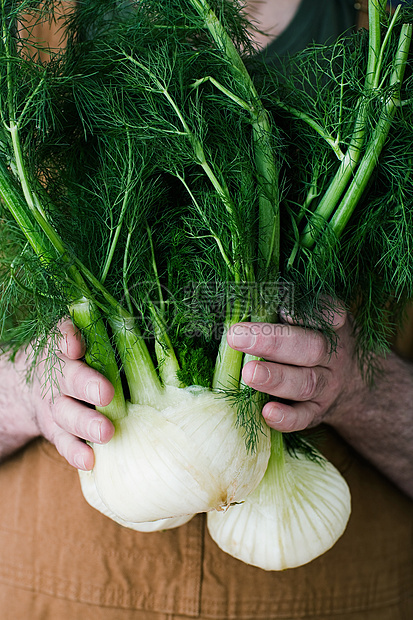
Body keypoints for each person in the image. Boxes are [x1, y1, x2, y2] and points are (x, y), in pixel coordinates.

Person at [0, 1, 412, 618]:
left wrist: (362, 387)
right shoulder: (22, 41)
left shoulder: (393, 54)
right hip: (56, 596)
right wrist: (20, 387)